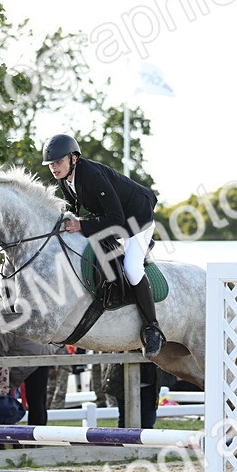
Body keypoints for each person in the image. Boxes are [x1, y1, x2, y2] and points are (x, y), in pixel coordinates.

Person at [42, 133, 165, 357]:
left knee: (132, 268)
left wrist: (80, 225)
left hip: (137, 220)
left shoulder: (91, 175)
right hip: (114, 221)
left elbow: (116, 218)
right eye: (51, 164)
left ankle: (153, 327)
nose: (54, 167)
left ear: (73, 158)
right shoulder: (65, 178)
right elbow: (73, 210)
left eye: (58, 162)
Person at [0, 291, 53, 426]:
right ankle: (37, 441)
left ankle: (23, 438)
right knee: (38, 401)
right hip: (41, 352)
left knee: (6, 398)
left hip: (29, 356)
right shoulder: (5, 311)